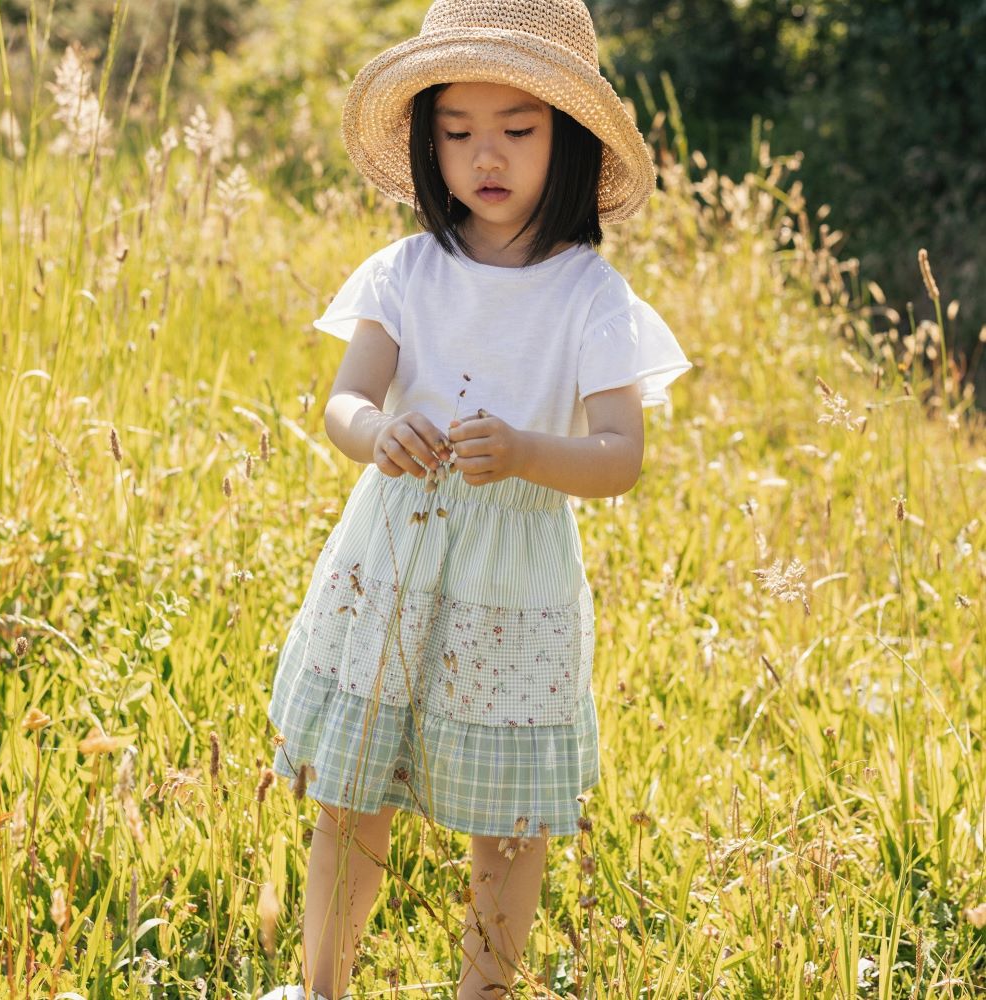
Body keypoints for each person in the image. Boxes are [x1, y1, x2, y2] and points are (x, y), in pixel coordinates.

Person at [262, 1, 692, 998]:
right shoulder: (406, 270)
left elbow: (619, 455)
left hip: (514, 581)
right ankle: (324, 984)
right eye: (456, 132)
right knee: (350, 794)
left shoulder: (589, 297)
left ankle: (484, 990)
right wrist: (381, 434)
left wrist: (530, 450)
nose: (484, 156)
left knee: (507, 820)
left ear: (572, 141)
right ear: (425, 143)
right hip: (394, 554)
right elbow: (346, 401)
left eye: (517, 130)